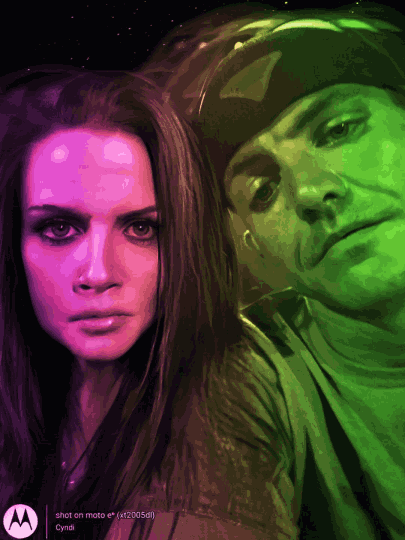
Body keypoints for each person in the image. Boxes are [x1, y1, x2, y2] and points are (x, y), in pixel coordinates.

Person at [0, 66, 299, 540]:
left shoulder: (223, 415)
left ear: (186, 239)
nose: (98, 273)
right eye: (59, 228)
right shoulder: (28, 392)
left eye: (141, 229)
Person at [142, 3, 405, 539]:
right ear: (252, 242)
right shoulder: (243, 376)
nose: (309, 191)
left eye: (338, 130)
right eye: (262, 191)